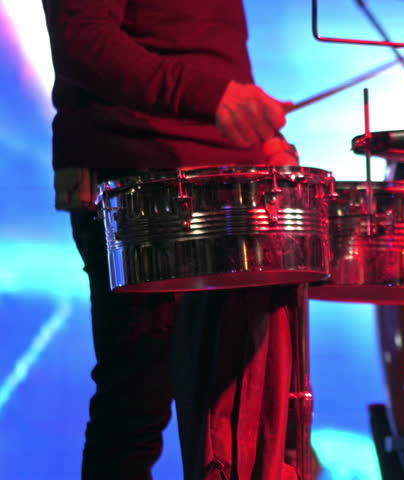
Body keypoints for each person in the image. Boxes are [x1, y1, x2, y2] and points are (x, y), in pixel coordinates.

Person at [40, 0, 302, 478]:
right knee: (138, 401)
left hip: (227, 179)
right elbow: (83, 42)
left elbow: (207, 51)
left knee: (246, 412)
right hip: (142, 176)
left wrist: (261, 142)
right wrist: (210, 97)